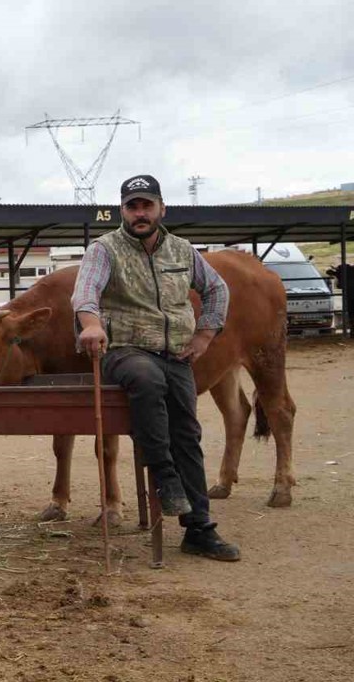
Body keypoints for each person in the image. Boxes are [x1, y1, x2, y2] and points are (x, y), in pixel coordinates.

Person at [71, 174, 240, 562]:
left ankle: (199, 529)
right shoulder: (104, 250)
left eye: (147, 205)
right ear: (123, 211)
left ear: (162, 208)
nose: (140, 213)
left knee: (187, 433)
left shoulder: (182, 251)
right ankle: (165, 479)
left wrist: (205, 336)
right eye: (132, 206)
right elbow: (85, 293)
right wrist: (92, 324)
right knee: (146, 380)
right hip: (126, 351)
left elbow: (217, 289)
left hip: (176, 354)